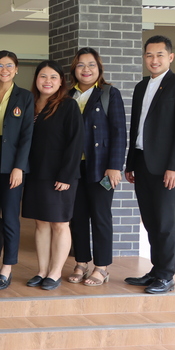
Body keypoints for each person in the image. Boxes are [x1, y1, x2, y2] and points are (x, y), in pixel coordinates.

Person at [125, 35, 175, 294]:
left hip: (167, 167)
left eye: (159, 55)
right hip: (142, 162)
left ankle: (166, 276)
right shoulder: (141, 86)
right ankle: (156, 271)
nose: (154, 60)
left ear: (170, 57)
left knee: (165, 223)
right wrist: (130, 163)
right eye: (149, 55)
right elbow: (136, 128)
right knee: (150, 220)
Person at [67, 48, 127, 287]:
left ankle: (101, 267)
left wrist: (115, 166)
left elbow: (119, 132)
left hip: (101, 167)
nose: (86, 69)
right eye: (81, 65)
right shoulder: (68, 94)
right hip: (74, 167)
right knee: (77, 217)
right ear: (74, 69)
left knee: (101, 216)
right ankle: (81, 262)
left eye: (91, 64)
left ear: (99, 68)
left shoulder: (109, 93)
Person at [23, 60, 83, 291]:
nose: (47, 81)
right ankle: (42, 270)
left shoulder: (68, 105)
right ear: (36, 79)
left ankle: (55, 272)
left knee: (59, 223)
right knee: (40, 223)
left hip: (60, 175)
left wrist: (66, 176)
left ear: (61, 82)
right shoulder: (30, 104)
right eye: (43, 76)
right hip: (35, 173)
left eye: (53, 77)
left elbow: (75, 143)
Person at [0, 51, 33, 291]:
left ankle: (7, 267)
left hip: (12, 164)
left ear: (16, 69)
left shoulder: (24, 97)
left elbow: (27, 135)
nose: (4, 70)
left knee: (9, 217)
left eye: (9, 65)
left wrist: (19, 167)